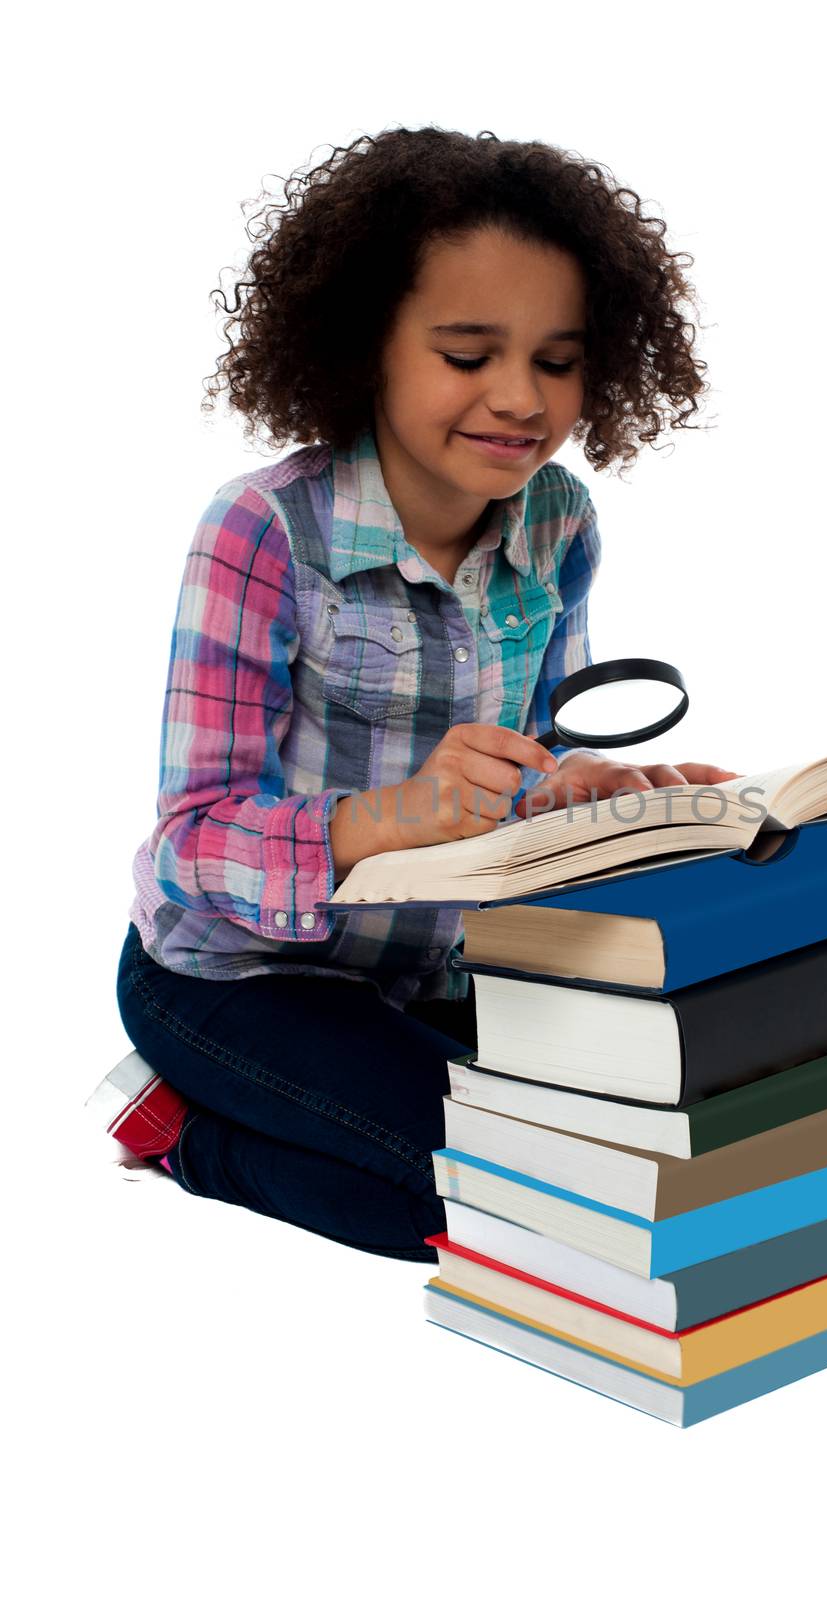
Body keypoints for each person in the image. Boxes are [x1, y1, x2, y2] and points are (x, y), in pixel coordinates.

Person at [100, 126, 737, 1263]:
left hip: (433, 971)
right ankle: (187, 1134)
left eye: (556, 359)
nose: (518, 398)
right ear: (368, 347)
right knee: (493, 1211)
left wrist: (587, 789)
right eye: (466, 353)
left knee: (639, 1169)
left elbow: (529, 754)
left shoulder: (560, 522)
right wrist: (387, 817)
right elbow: (191, 839)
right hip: (235, 974)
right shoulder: (264, 533)